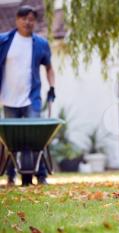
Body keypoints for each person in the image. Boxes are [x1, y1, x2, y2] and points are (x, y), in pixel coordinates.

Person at [0, 5, 56, 186]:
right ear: (17, 20)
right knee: (11, 142)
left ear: (35, 22)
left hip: (32, 99)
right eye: (24, 18)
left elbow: (49, 68)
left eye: (31, 19)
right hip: (8, 99)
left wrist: (52, 87)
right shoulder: (4, 41)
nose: (27, 22)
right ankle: (10, 176)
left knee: (35, 139)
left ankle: (41, 176)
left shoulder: (41, 44)